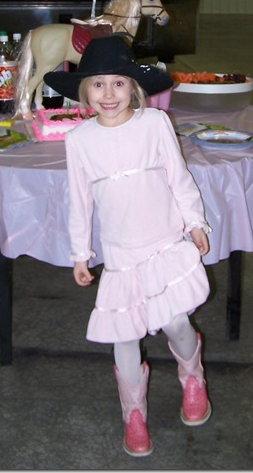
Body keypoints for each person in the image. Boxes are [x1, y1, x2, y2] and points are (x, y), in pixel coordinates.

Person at [43, 37, 212, 457]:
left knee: (175, 322)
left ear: (133, 88)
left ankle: (193, 377)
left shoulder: (154, 124)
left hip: (163, 243)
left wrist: (195, 222)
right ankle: (133, 413)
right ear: (85, 92)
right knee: (125, 335)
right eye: (98, 84)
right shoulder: (79, 140)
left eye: (118, 83)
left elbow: (179, 178)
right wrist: (79, 253)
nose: (108, 94)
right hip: (120, 256)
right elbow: (79, 201)